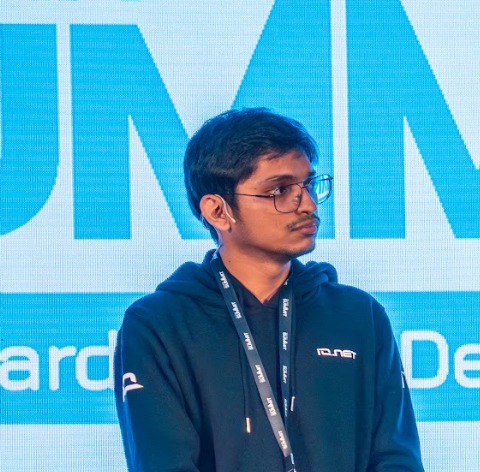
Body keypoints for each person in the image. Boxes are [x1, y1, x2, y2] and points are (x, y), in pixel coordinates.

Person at [114, 108, 424, 471]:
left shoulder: (358, 315)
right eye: (279, 190)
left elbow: (396, 458)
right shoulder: (158, 324)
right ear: (218, 211)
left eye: (308, 185)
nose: (307, 205)